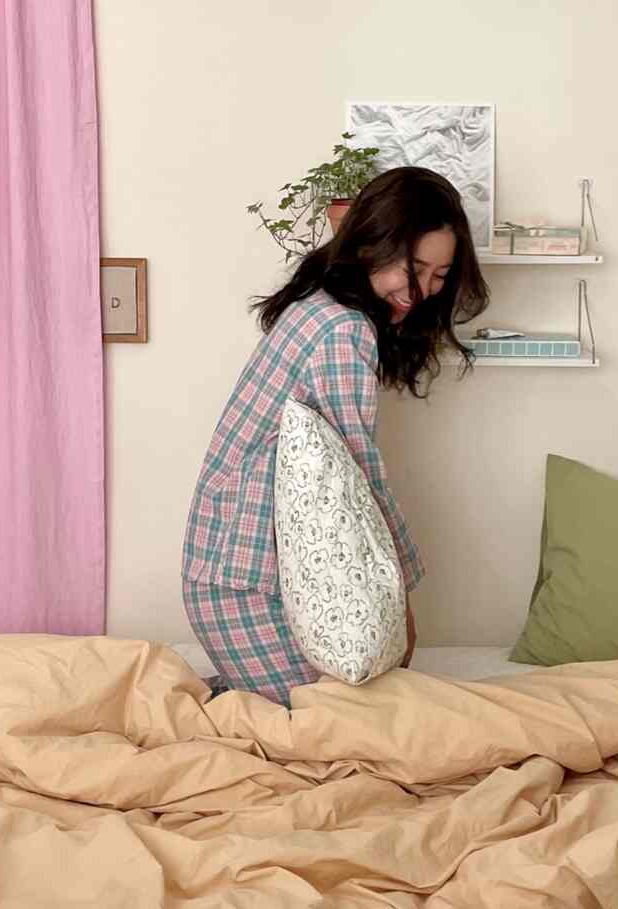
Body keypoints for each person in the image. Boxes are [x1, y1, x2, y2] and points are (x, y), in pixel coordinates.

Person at [182, 166, 489, 706]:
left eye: (440, 275)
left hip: (232, 565)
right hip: (249, 581)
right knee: (341, 727)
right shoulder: (343, 330)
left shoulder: (318, 306)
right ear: (372, 240)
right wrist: (399, 591)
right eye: (412, 266)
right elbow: (357, 478)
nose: (422, 290)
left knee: (335, 716)